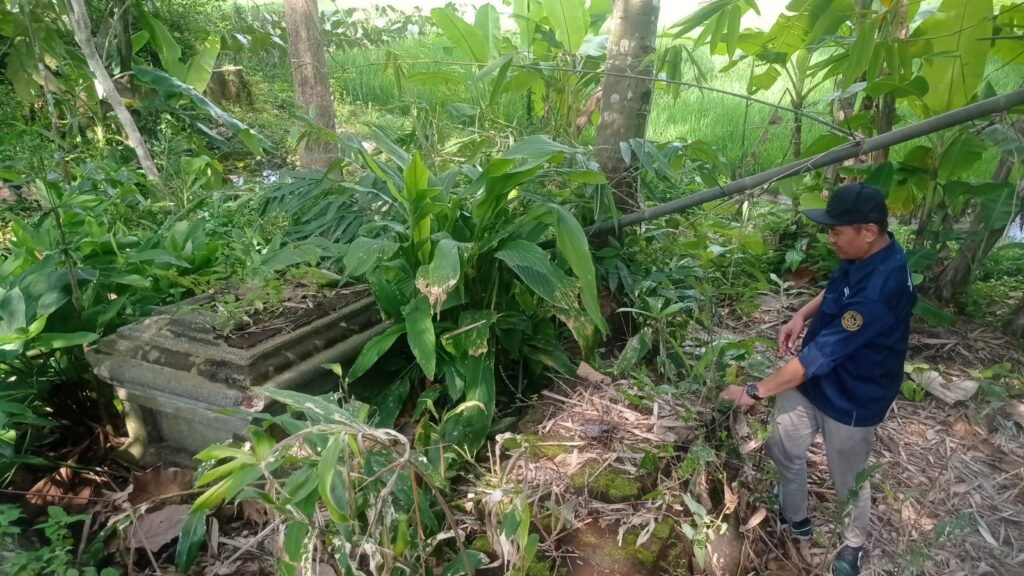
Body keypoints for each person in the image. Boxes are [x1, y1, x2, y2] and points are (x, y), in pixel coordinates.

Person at [719, 182, 916, 576]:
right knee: (783, 447)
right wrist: (801, 315)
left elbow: (814, 359)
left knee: (849, 478)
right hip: (812, 382)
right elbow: (837, 288)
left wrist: (754, 391)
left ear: (868, 231)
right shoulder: (866, 253)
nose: (830, 239)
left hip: (853, 396)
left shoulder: (881, 289)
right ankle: (795, 517)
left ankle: (852, 545)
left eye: (836, 232)